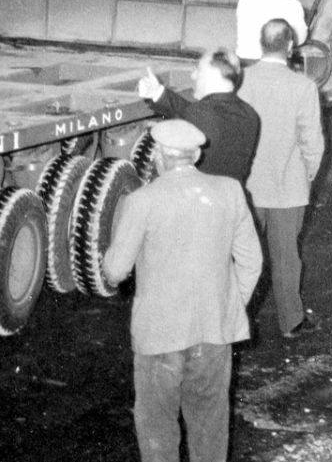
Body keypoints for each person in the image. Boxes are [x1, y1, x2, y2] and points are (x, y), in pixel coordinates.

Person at [102, 118, 262, 462]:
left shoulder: (142, 200)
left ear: (158, 156)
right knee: (209, 429)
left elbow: (115, 271)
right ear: (196, 155)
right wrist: (229, 305)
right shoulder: (229, 191)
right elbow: (252, 261)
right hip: (214, 333)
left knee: (158, 430)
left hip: (160, 338)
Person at [237, 18, 325, 339]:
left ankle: (234, 320)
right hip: (288, 188)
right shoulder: (303, 87)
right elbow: (312, 141)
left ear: (260, 44)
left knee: (241, 256)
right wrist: (307, 175)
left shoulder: (241, 82)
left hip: (247, 186)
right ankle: (291, 322)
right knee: (287, 257)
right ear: (290, 47)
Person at [138, 49, 261, 185]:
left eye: (198, 70)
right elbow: (193, 113)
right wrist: (157, 92)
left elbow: (194, 115)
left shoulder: (200, 114)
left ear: (213, 75)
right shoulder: (250, 114)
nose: (193, 76)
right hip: (232, 196)